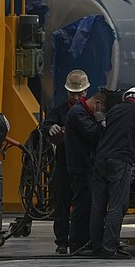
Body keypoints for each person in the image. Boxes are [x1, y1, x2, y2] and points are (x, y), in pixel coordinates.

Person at [87, 86, 135, 259]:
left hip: (100, 161)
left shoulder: (114, 110)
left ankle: (96, 247)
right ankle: (110, 248)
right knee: (117, 206)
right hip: (119, 162)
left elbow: (114, 135)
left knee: (98, 206)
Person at [40, 69, 90, 254]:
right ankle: (62, 241)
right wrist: (50, 127)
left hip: (85, 165)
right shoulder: (60, 111)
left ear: (86, 92)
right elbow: (45, 125)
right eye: (72, 93)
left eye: (79, 93)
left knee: (83, 204)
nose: (76, 97)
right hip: (64, 164)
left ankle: (80, 240)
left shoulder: (90, 111)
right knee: (61, 203)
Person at [64, 90, 107, 254]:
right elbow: (95, 135)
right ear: (97, 104)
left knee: (87, 204)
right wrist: (101, 123)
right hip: (80, 166)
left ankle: (86, 241)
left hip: (86, 166)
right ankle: (76, 244)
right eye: (102, 110)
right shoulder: (78, 113)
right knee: (82, 205)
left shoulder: (82, 112)